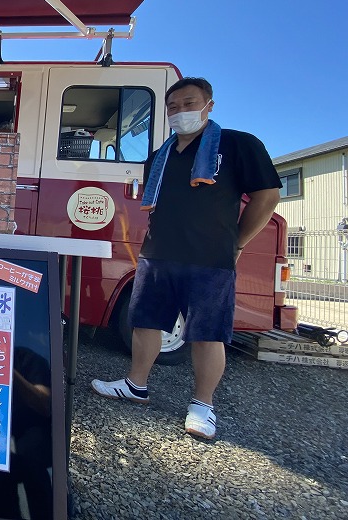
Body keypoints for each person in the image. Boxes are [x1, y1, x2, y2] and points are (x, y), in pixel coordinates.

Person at [91, 77, 281, 440]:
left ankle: (202, 405)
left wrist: (238, 243)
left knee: (207, 333)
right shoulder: (159, 156)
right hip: (157, 254)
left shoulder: (238, 144)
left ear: (209, 105)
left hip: (210, 258)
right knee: (145, 322)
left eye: (189, 104)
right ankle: (135, 384)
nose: (181, 112)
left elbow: (267, 197)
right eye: (173, 107)